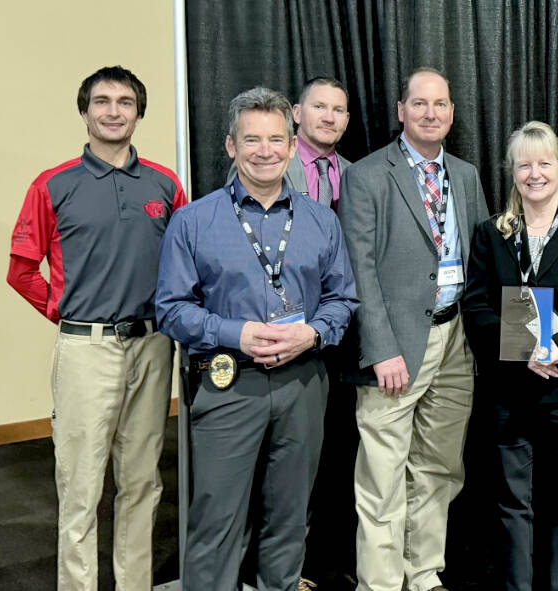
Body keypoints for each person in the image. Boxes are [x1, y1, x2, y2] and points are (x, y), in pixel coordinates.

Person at [156, 86, 358, 591]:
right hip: (227, 386)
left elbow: (343, 300)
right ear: (230, 146)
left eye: (275, 140)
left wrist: (312, 332)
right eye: (251, 140)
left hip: (303, 384)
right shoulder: (193, 221)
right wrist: (235, 334)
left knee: (290, 519)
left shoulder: (321, 221)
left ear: (293, 146)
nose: (264, 151)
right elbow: (170, 309)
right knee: (217, 522)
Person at [6, 65, 186, 591]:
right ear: (85, 112)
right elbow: (20, 269)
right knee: (81, 486)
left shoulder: (165, 184)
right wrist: (64, 312)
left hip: (153, 346)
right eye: (102, 102)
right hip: (86, 350)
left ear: (138, 112)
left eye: (125, 102)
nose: (113, 111)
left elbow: (185, 262)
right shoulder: (53, 184)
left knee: (142, 482)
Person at [341, 66, 491, 591]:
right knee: (383, 475)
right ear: (401, 111)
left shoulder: (466, 175)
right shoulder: (365, 175)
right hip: (397, 346)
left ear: (452, 113)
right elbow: (358, 269)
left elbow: (484, 261)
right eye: (421, 104)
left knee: (440, 468)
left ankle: (423, 571)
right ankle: (379, 583)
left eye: (442, 104)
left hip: (456, 342)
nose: (432, 113)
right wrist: (380, 348)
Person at [462, 121, 558, 591]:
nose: (534, 173)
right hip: (512, 388)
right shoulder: (492, 234)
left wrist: (557, 348)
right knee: (511, 501)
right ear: (511, 172)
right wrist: (528, 349)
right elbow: (476, 305)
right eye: (524, 164)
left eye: (544, 162)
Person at [227, 77, 352, 209]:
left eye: (338, 110)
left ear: (346, 120)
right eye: (319, 107)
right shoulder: (260, 160)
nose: (329, 119)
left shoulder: (355, 173)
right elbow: (232, 214)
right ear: (297, 113)